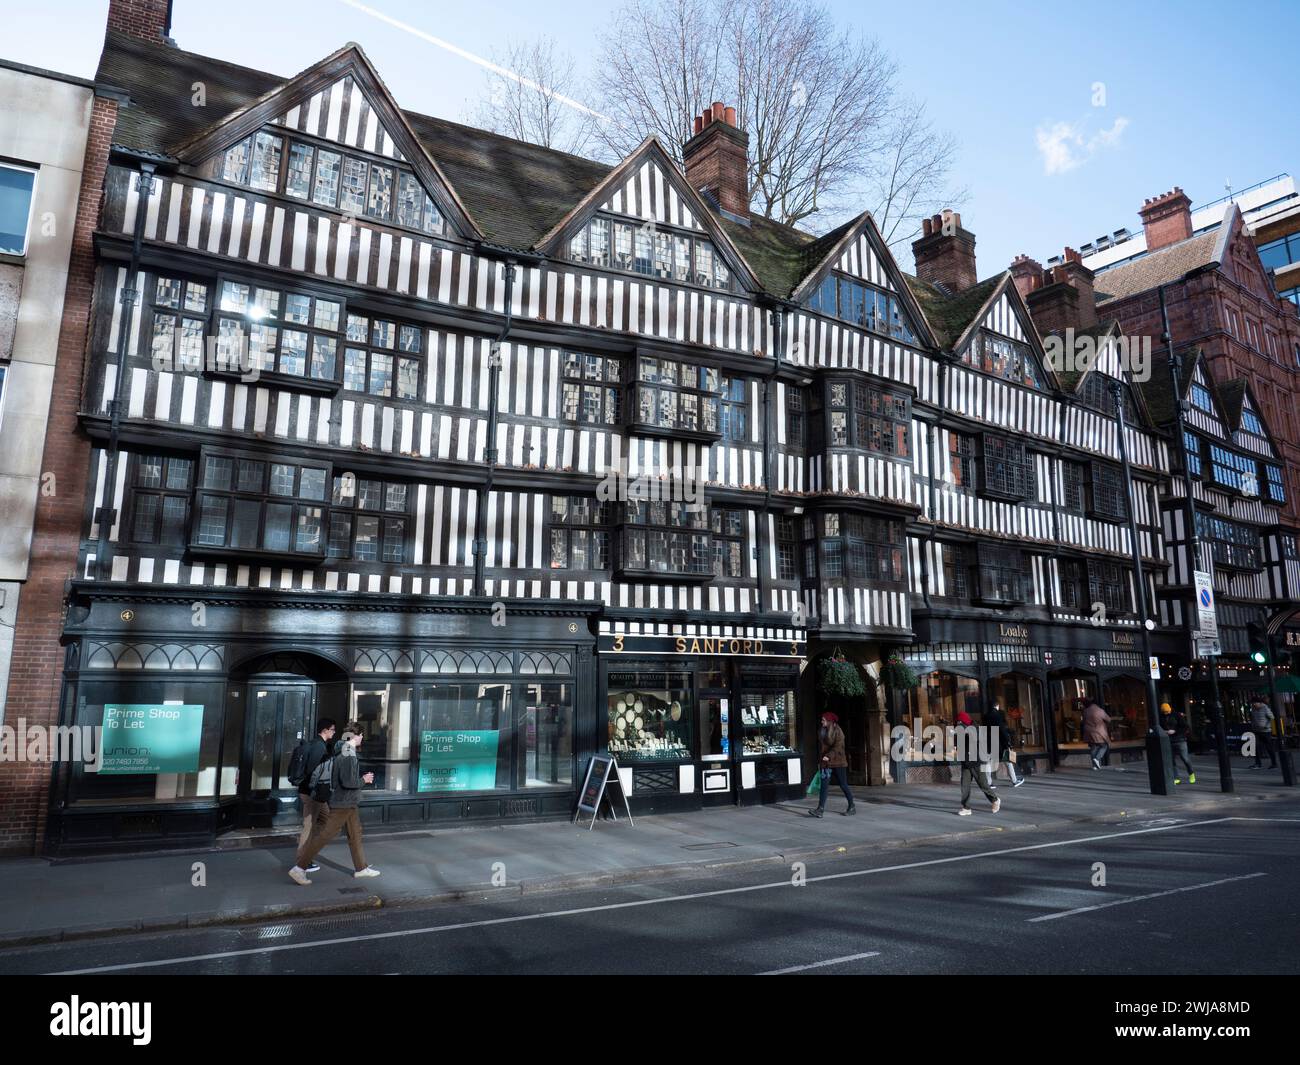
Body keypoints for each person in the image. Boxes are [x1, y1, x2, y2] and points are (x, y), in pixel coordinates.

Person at [289, 722, 380, 884]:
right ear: (357, 736)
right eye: (361, 736)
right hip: (343, 802)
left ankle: (361, 868)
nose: (362, 739)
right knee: (325, 835)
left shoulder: (344, 750)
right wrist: (364, 780)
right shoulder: (348, 754)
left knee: (355, 834)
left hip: (349, 801)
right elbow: (348, 781)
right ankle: (299, 868)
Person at [297, 717, 336, 874]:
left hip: (313, 793)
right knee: (309, 826)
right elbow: (314, 772)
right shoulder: (319, 747)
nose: (334, 732)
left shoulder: (318, 744)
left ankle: (308, 853)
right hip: (312, 793)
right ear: (325, 730)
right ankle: (302, 862)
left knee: (325, 820)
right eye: (332, 730)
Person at [808, 711, 855, 817]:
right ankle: (820, 810)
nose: (821, 722)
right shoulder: (822, 731)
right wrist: (821, 760)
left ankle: (852, 806)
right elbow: (822, 748)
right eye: (822, 720)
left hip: (838, 762)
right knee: (824, 786)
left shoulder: (838, 731)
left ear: (829, 721)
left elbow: (838, 747)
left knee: (843, 785)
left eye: (823, 720)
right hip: (826, 763)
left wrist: (828, 755)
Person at [954, 709, 1000, 816]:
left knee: (983, 784)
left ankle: (995, 799)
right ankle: (966, 807)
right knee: (964, 785)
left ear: (964, 721)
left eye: (959, 722)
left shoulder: (974, 728)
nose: (958, 724)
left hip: (976, 761)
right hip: (966, 761)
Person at [984, 702, 1023, 788]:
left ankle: (989, 783)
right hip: (999, 742)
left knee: (989, 762)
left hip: (989, 742)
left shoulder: (986, 716)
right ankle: (1014, 781)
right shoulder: (997, 715)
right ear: (996, 706)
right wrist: (1008, 741)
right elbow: (1002, 730)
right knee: (1007, 761)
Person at [1161, 702, 1195, 784]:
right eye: (1165, 712)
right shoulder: (1161, 717)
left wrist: (1175, 731)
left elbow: (1185, 727)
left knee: (1185, 758)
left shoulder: (1177, 715)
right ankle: (1176, 778)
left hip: (1180, 740)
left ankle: (1191, 774)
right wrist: (1164, 732)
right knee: (1171, 760)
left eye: (1167, 711)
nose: (1166, 713)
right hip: (1169, 741)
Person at [1248, 695, 1278, 770]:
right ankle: (1258, 764)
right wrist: (1253, 726)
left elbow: (1272, 718)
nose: (1253, 704)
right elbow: (1253, 718)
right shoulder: (1253, 709)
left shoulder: (1265, 708)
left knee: (1269, 748)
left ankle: (1274, 764)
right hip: (1256, 731)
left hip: (1266, 731)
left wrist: (1268, 727)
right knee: (1255, 747)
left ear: (1259, 702)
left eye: (1254, 703)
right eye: (1252, 703)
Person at [1083, 698, 1111, 770]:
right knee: (1104, 746)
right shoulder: (1099, 710)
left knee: (1093, 747)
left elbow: (1083, 721)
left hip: (1089, 732)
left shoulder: (1086, 711)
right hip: (1098, 732)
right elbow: (1108, 719)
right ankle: (1097, 758)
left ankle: (1094, 766)